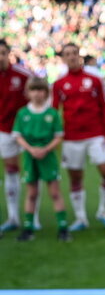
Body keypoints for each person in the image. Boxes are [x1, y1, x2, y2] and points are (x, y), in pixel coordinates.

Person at [51, 43, 105, 231]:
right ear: (63, 58)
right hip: (72, 137)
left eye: (74, 53)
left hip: (96, 135)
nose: (71, 57)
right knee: (75, 178)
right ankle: (81, 218)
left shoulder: (95, 79)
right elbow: (54, 112)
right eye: (67, 54)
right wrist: (56, 136)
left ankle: (103, 211)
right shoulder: (59, 83)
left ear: (79, 55)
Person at [12, 77, 71, 242]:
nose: (37, 93)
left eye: (41, 90)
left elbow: (58, 136)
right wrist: (31, 149)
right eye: (34, 90)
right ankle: (28, 228)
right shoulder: (23, 113)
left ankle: (63, 228)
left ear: (46, 93)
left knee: (55, 192)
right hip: (30, 157)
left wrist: (45, 149)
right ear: (28, 92)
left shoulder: (52, 113)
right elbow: (18, 136)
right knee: (31, 193)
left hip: (47, 156)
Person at [0, 39, 33, 233]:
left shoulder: (23, 75)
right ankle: (13, 216)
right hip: (4, 131)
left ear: (9, 54)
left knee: (32, 171)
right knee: (11, 169)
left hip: (26, 132)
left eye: (3, 52)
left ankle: (33, 217)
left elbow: (41, 94)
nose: (0, 56)